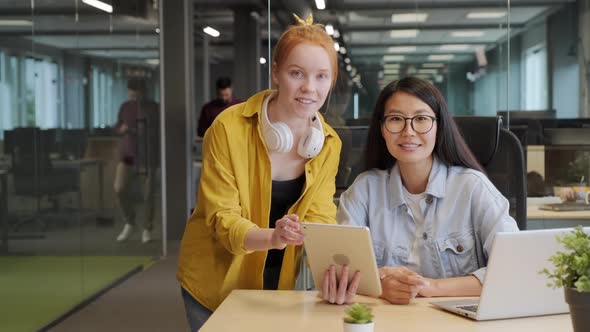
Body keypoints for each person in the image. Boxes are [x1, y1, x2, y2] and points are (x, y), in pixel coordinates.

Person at [177, 14, 341, 331]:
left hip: (279, 282)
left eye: (322, 76)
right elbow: (221, 217)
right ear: (276, 72)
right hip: (217, 281)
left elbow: (320, 217)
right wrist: (272, 237)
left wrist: (332, 265)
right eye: (297, 73)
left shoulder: (328, 143)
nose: (310, 88)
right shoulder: (228, 127)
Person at [321, 77, 519, 305]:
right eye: (396, 119)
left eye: (421, 119)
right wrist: (380, 287)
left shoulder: (472, 187)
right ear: (382, 129)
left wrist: (430, 287)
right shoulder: (364, 191)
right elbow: (338, 270)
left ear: (439, 126)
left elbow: (512, 267)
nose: (408, 131)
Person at [114, 78, 160, 244]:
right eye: (130, 92)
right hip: (128, 154)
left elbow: (159, 132)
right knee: (119, 187)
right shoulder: (125, 107)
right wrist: (122, 129)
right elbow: (117, 126)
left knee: (148, 194)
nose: (132, 95)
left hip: (147, 155)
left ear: (143, 92)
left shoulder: (154, 108)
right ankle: (129, 222)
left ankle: (147, 228)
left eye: (136, 92)